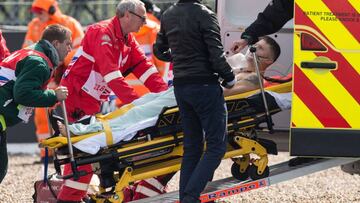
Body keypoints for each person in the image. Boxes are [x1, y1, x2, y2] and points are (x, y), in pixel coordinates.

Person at [56, 0, 168, 202]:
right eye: (142, 18)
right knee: (84, 155)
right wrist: (140, 106)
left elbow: (144, 67)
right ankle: (68, 199)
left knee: (93, 150)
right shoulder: (102, 33)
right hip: (76, 99)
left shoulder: (126, 39)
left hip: (89, 100)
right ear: (127, 15)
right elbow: (112, 76)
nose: (145, 22)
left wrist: (166, 95)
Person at [154, 1, 236, 202]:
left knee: (192, 146)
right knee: (216, 146)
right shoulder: (205, 14)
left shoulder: (168, 14)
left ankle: (186, 198)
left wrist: (179, 57)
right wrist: (230, 77)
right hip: (205, 85)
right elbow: (215, 54)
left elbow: (159, 50)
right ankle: (190, 197)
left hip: (181, 86)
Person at [0, 24, 71, 183]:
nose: (70, 49)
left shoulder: (30, 52)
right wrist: (53, 95)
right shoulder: (38, 62)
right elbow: (23, 94)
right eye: (67, 44)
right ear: (55, 44)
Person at [23, 0, 85, 162]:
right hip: (45, 78)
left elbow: (80, 51)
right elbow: (27, 49)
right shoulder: (34, 25)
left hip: (66, 78)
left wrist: (63, 68)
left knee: (69, 115)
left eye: (40, 10)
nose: (37, 14)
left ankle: (74, 151)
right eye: (35, 11)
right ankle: (47, 155)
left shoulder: (69, 23)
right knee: (42, 118)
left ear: (51, 9)